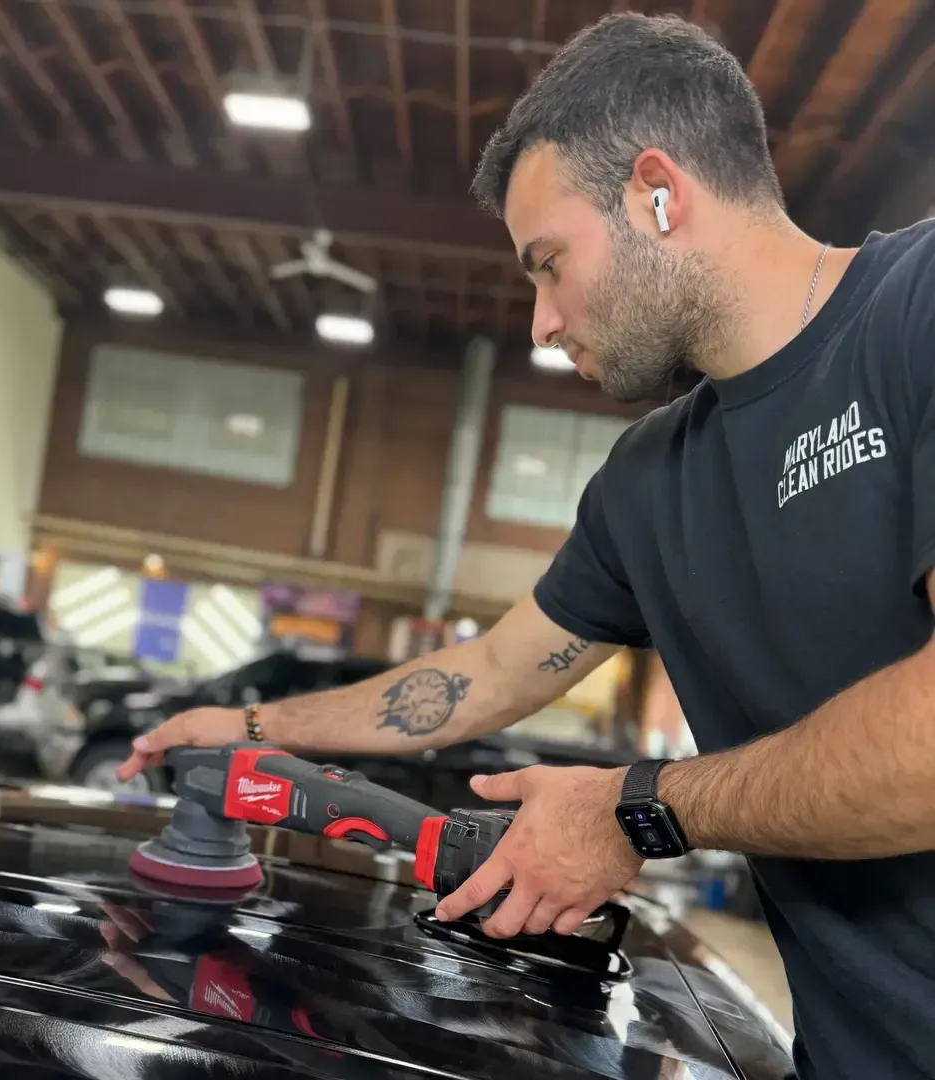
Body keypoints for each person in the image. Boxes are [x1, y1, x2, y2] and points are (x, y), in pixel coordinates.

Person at [117, 12, 935, 1079]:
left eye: (548, 264)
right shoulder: (651, 481)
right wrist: (252, 722)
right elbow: (490, 675)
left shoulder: (915, 312)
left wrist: (638, 812)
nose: (541, 322)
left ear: (658, 192)